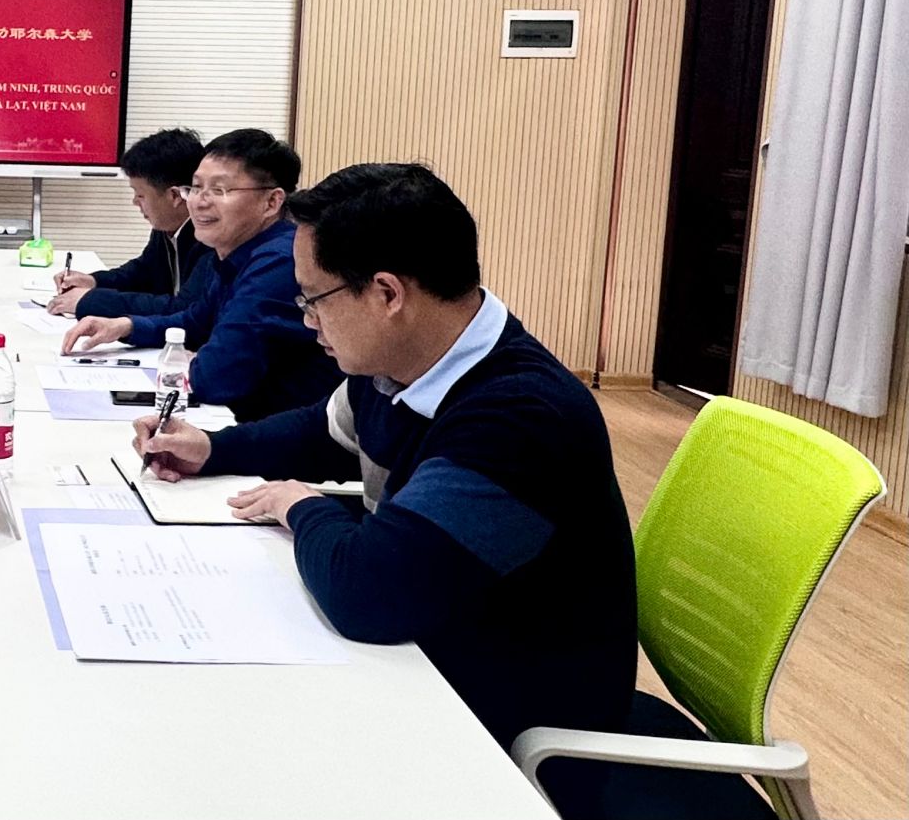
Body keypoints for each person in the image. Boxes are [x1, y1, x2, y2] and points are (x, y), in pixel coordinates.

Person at [130, 163, 637, 766]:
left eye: (313, 299)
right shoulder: (401, 362)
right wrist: (214, 449)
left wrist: (302, 505)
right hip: (422, 660)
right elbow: (321, 432)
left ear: (388, 294)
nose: (306, 320)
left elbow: (368, 594)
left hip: (498, 719)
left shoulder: (518, 416)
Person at [64, 129, 341, 421]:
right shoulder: (233, 250)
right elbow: (195, 322)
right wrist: (126, 326)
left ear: (271, 203)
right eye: (196, 187)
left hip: (284, 433)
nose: (199, 201)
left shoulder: (279, 261)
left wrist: (200, 359)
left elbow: (215, 377)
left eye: (219, 190)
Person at [47, 127, 207, 318]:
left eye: (140, 195)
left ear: (174, 196)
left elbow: (183, 308)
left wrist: (91, 300)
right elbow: (141, 273)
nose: (134, 202)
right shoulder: (167, 226)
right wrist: (93, 281)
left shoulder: (209, 237)